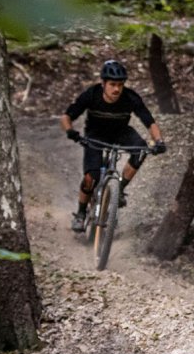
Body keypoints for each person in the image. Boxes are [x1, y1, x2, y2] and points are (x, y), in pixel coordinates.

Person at [61, 60, 166, 233]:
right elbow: (66, 117)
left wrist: (159, 141)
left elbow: (149, 121)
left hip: (120, 131)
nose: (117, 89)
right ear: (103, 83)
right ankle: (80, 213)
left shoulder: (131, 98)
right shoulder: (91, 94)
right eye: (112, 84)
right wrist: (70, 131)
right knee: (90, 177)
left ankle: (119, 189)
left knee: (140, 149)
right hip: (95, 134)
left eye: (120, 85)